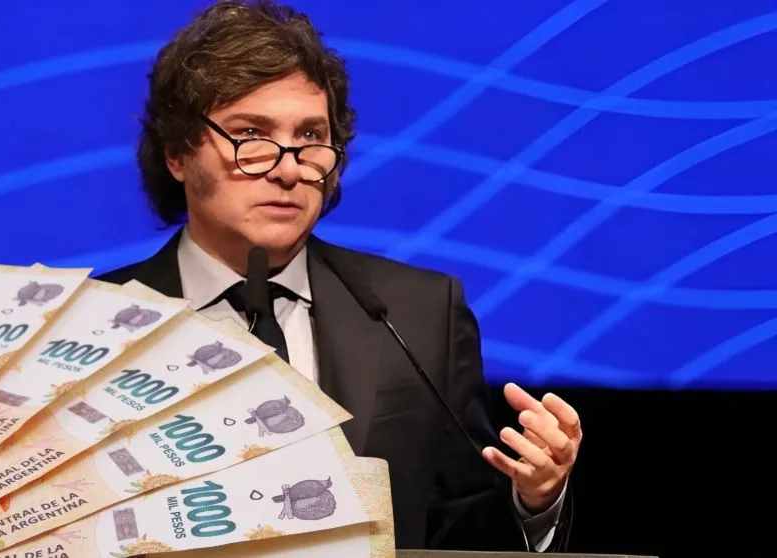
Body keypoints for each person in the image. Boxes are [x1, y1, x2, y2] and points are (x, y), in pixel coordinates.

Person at [97, 0, 582, 551]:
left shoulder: (420, 316)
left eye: (310, 136)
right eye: (250, 133)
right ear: (178, 153)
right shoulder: (91, 326)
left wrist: (534, 499)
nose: (287, 168)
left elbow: (461, 533)